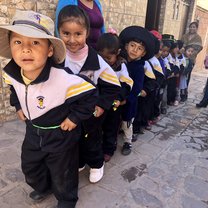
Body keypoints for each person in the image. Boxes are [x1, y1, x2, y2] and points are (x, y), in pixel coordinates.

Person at [1, 10, 97, 208]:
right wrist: (18, 105)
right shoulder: (11, 73)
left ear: (50, 50)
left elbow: (90, 94)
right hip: (33, 131)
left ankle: (67, 199)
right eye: (18, 42)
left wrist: (75, 118)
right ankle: (43, 186)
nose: (25, 50)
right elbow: (14, 88)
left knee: (63, 171)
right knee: (30, 166)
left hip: (60, 135)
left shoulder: (63, 78)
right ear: (10, 47)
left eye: (35, 42)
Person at [57, 5, 121, 182]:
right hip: (69, 112)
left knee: (90, 141)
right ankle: (79, 161)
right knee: (72, 141)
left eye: (78, 34)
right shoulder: (57, 57)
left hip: (91, 113)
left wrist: (101, 105)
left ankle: (96, 163)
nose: (72, 40)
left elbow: (113, 86)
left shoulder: (96, 61)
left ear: (87, 33)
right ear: (58, 32)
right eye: (66, 33)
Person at [96, 32, 133, 162]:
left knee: (111, 127)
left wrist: (119, 98)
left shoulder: (121, 66)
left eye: (108, 58)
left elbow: (127, 84)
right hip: (100, 102)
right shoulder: (96, 64)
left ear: (117, 52)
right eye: (102, 57)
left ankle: (108, 149)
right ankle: (98, 147)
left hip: (114, 104)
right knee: (98, 126)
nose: (105, 61)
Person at [119, 26, 155, 155]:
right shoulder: (119, 61)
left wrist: (128, 99)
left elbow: (137, 88)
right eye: (132, 45)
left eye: (139, 49)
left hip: (129, 101)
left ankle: (128, 142)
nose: (135, 50)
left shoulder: (139, 67)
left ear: (143, 53)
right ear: (126, 46)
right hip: (118, 98)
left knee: (127, 124)